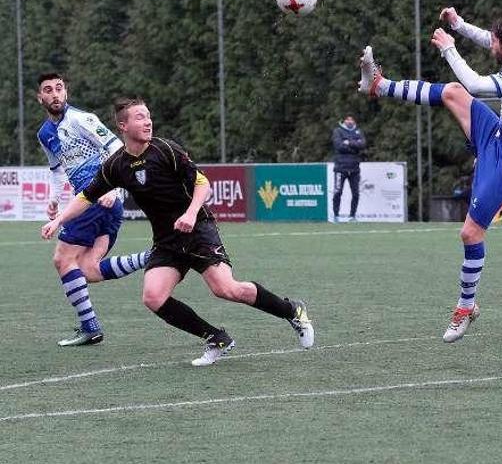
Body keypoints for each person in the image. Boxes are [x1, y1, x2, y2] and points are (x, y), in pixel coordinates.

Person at [41, 98, 314, 366]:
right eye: (139, 117)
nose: (147, 121)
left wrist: (191, 212)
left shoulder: (165, 149)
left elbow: (202, 183)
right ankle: (216, 338)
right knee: (153, 297)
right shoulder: (116, 165)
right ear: (122, 126)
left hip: (198, 230)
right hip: (166, 240)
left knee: (226, 289)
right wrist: (59, 221)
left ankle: (291, 310)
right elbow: (87, 196)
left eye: (148, 116)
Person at [357, 8, 502, 343]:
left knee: (470, 234)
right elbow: (488, 43)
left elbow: (476, 83)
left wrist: (449, 46)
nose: (490, 44)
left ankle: (466, 307)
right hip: (500, 136)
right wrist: (459, 25)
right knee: (451, 92)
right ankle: (378, 85)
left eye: (495, 41)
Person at [36, 72, 151, 346]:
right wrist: (54, 199)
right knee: (89, 269)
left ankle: (89, 326)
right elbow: (57, 170)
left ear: (67, 93)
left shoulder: (81, 119)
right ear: (40, 97)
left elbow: (115, 148)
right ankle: (154, 256)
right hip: (96, 201)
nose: (55, 94)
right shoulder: (45, 134)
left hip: (99, 196)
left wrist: (112, 187)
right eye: (48, 90)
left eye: (59, 88)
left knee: (63, 260)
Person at [331, 115, 366, 222]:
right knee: (338, 192)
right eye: (347, 119)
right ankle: (336, 215)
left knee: (356, 193)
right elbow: (339, 146)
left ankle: (352, 216)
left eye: (351, 119)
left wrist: (349, 142)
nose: (350, 121)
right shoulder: (338, 131)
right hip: (340, 168)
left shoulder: (359, 131)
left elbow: (363, 145)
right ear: (344, 120)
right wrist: (355, 146)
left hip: (355, 168)